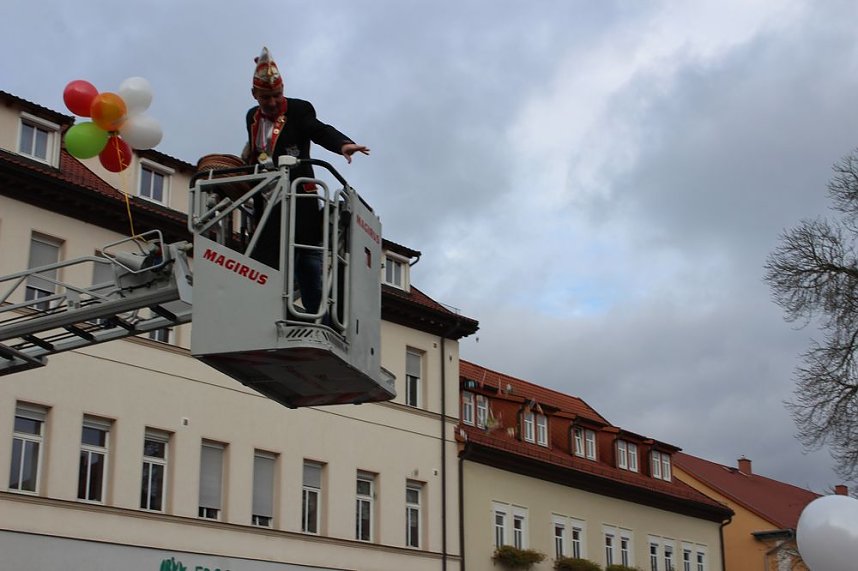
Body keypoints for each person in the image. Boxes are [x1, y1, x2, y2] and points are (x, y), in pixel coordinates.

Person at [243, 47, 369, 315]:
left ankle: (316, 314)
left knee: (308, 257)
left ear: (283, 90)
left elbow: (318, 130)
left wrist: (343, 145)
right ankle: (264, 310)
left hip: (300, 196)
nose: (273, 102)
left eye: (277, 95)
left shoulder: (299, 109)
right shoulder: (251, 117)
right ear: (255, 95)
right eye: (266, 97)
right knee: (267, 256)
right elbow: (256, 152)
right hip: (267, 198)